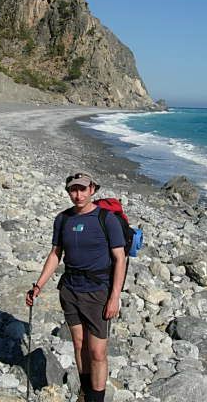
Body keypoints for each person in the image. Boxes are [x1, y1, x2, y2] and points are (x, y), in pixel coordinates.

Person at [26, 172, 126, 402]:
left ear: (92, 189)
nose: (78, 194)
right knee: (79, 344)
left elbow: (120, 259)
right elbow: (55, 254)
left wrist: (114, 297)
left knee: (97, 352)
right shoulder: (63, 219)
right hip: (70, 289)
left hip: (98, 291)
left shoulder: (106, 219)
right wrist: (38, 285)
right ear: (68, 192)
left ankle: (96, 399)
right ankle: (85, 391)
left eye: (82, 189)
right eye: (73, 190)